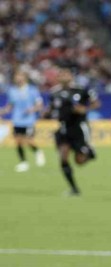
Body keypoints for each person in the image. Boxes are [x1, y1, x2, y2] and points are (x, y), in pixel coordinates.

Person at [48, 66, 101, 196]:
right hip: (63, 128)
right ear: (58, 77)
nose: (64, 76)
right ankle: (74, 188)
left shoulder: (81, 90)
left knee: (79, 161)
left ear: (71, 76)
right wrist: (46, 113)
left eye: (66, 74)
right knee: (63, 157)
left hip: (78, 127)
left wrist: (85, 109)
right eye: (61, 74)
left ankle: (89, 152)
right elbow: (52, 107)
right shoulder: (54, 92)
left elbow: (96, 103)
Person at [0, 71, 45, 172]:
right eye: (17, 76)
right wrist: (3, 111)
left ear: (25, 78)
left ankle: (38, 151)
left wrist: (32, 109)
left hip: (29, 120)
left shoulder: (32, 90)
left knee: (28, 140)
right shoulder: (12, 91)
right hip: (17, 120)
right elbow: (10, 105)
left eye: (20, 76)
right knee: (18, 142)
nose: (18, 78)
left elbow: (39, 105)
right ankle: (23, 162)